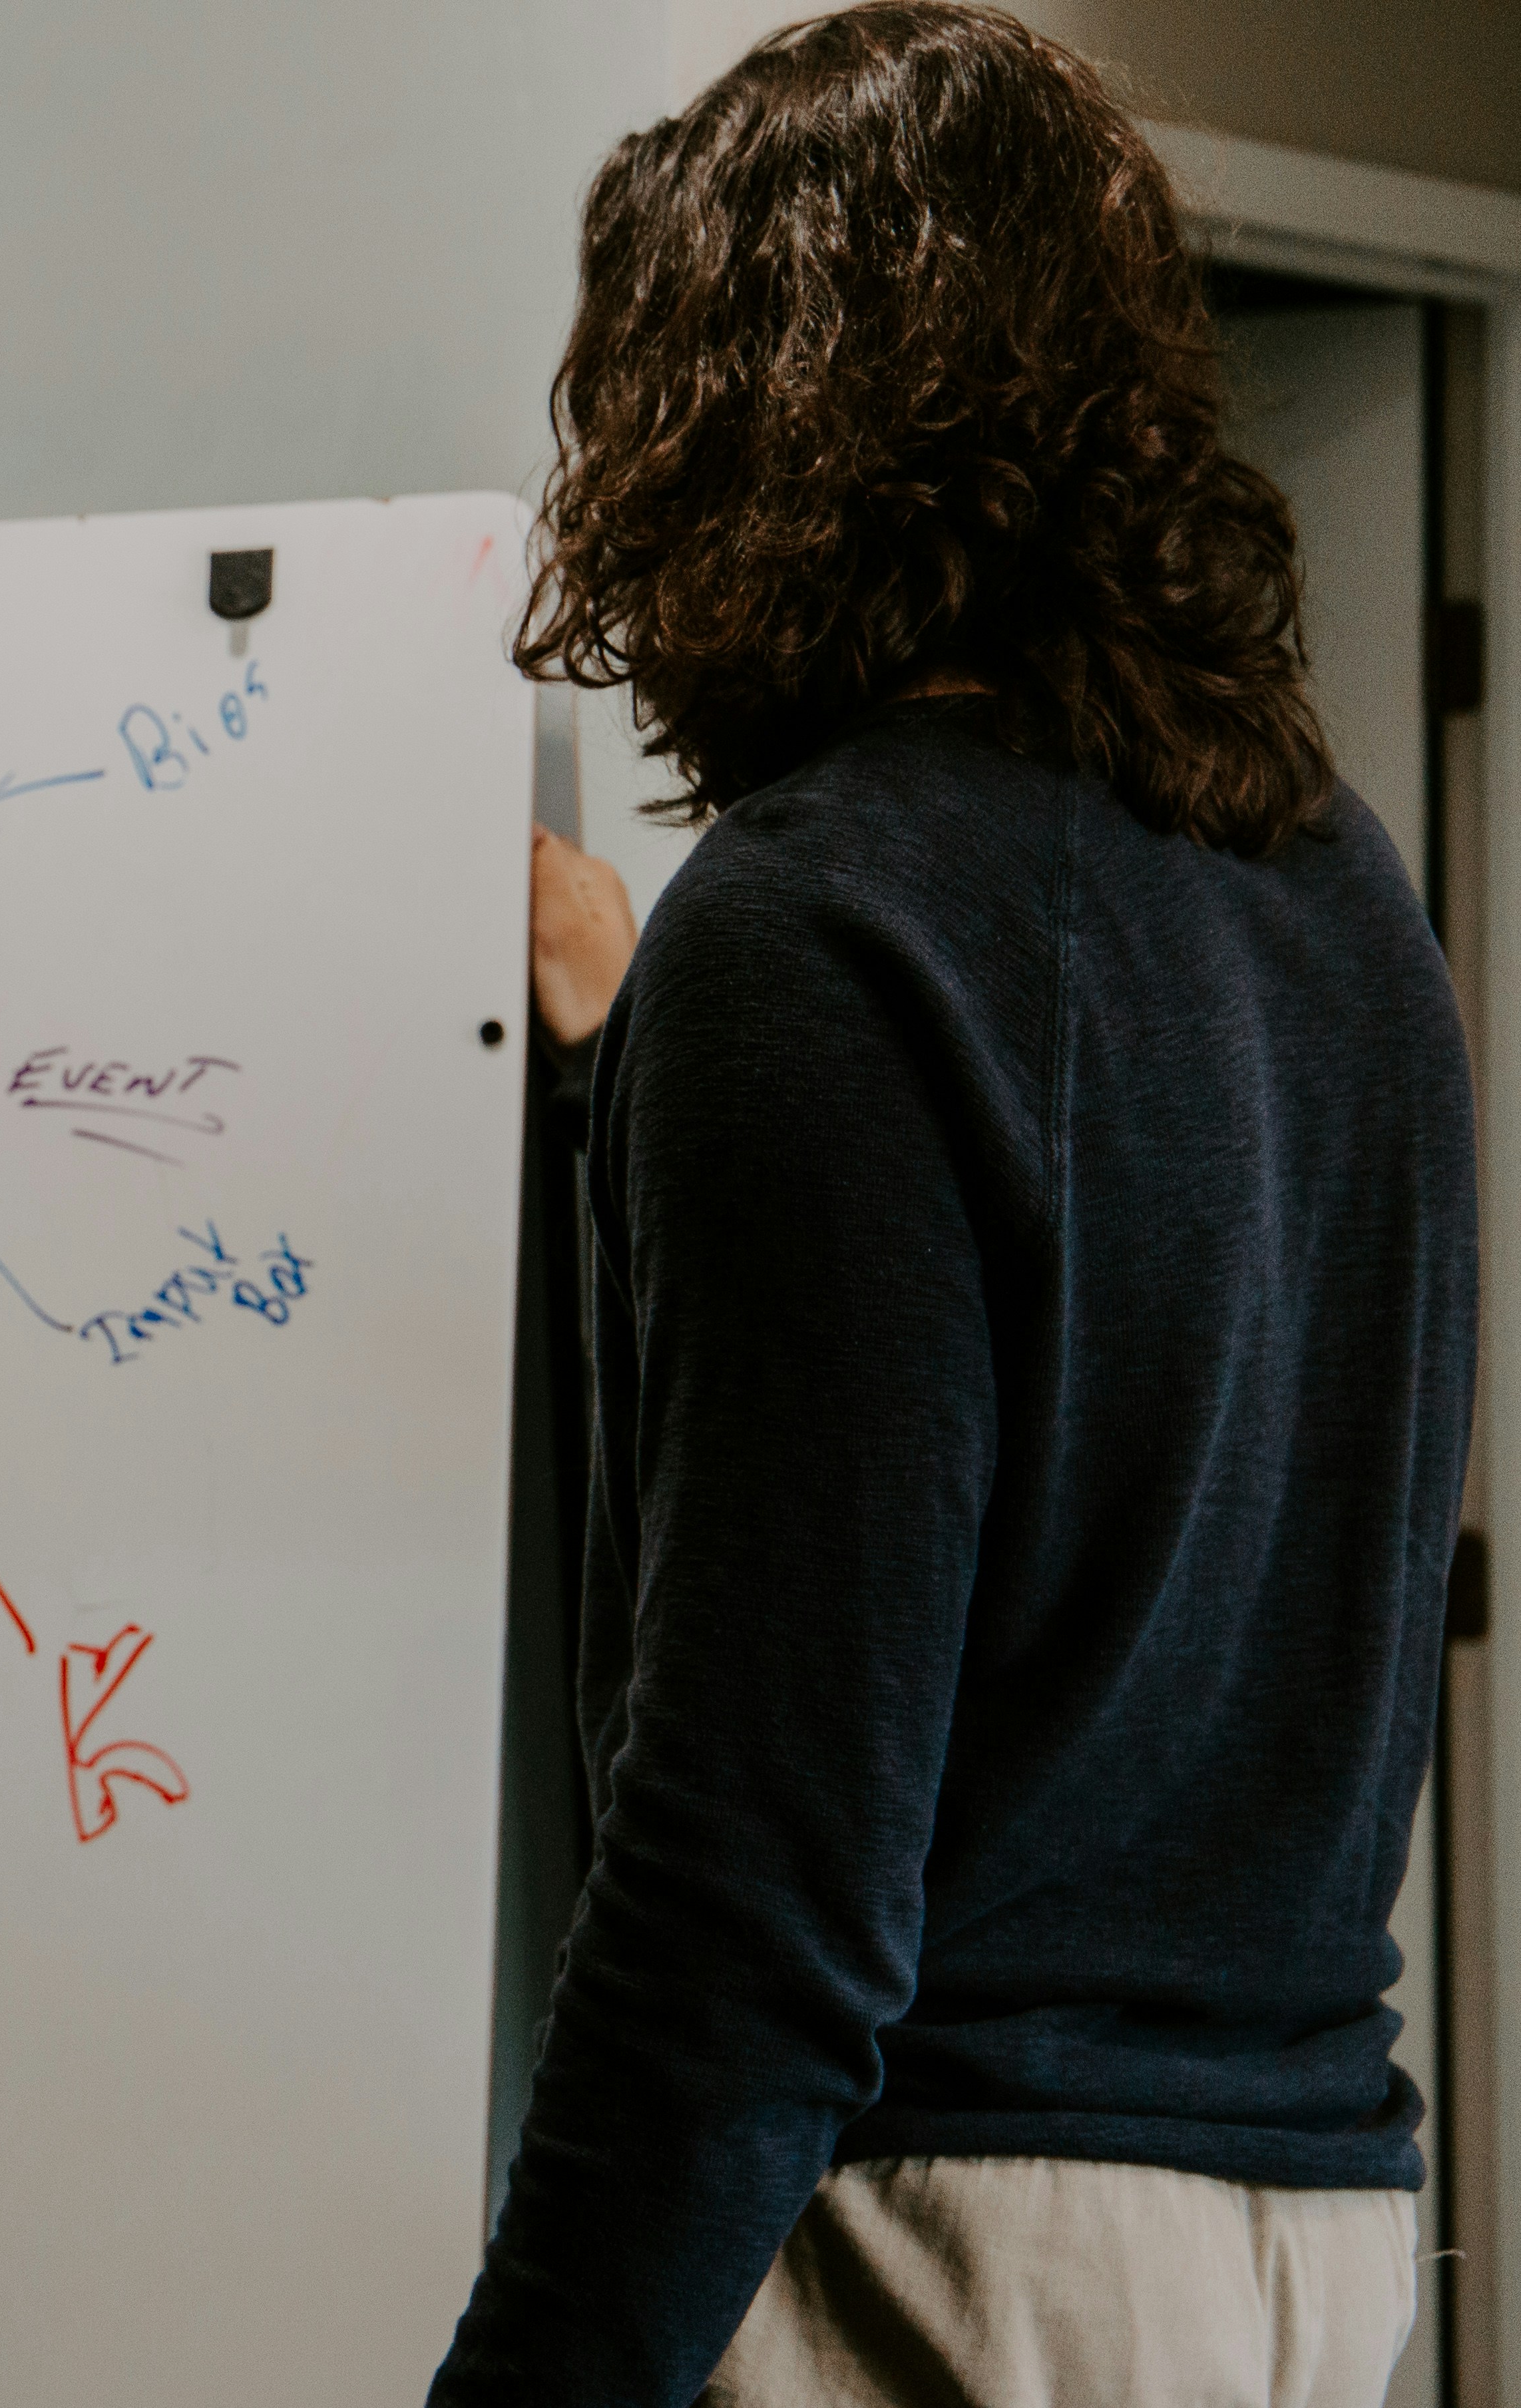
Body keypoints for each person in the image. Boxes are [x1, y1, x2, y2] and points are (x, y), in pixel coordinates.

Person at [435, 9, 1468, 2404]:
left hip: (961, 2255)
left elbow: (754, 1891)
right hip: (1313, 2240)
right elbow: (1111, 1426)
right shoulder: (1332, 892)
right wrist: (630, 1074)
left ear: (731, 424)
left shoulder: (814, 932)